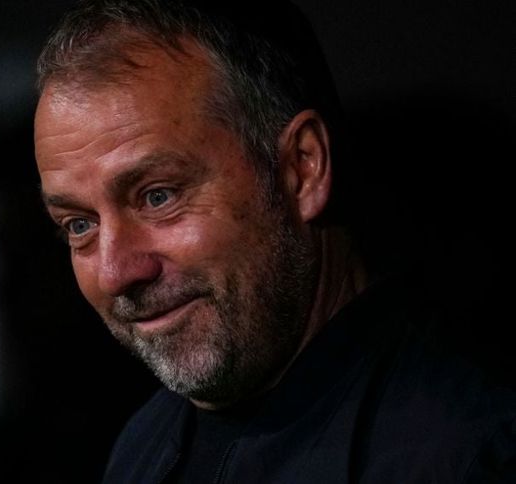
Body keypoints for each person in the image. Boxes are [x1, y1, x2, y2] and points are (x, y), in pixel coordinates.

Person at [32, 0, 516, 482]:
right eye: (79, 225)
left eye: (159, 196)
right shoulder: (140, 448)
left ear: (301, 169)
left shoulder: (467, 451)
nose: (115, 273)